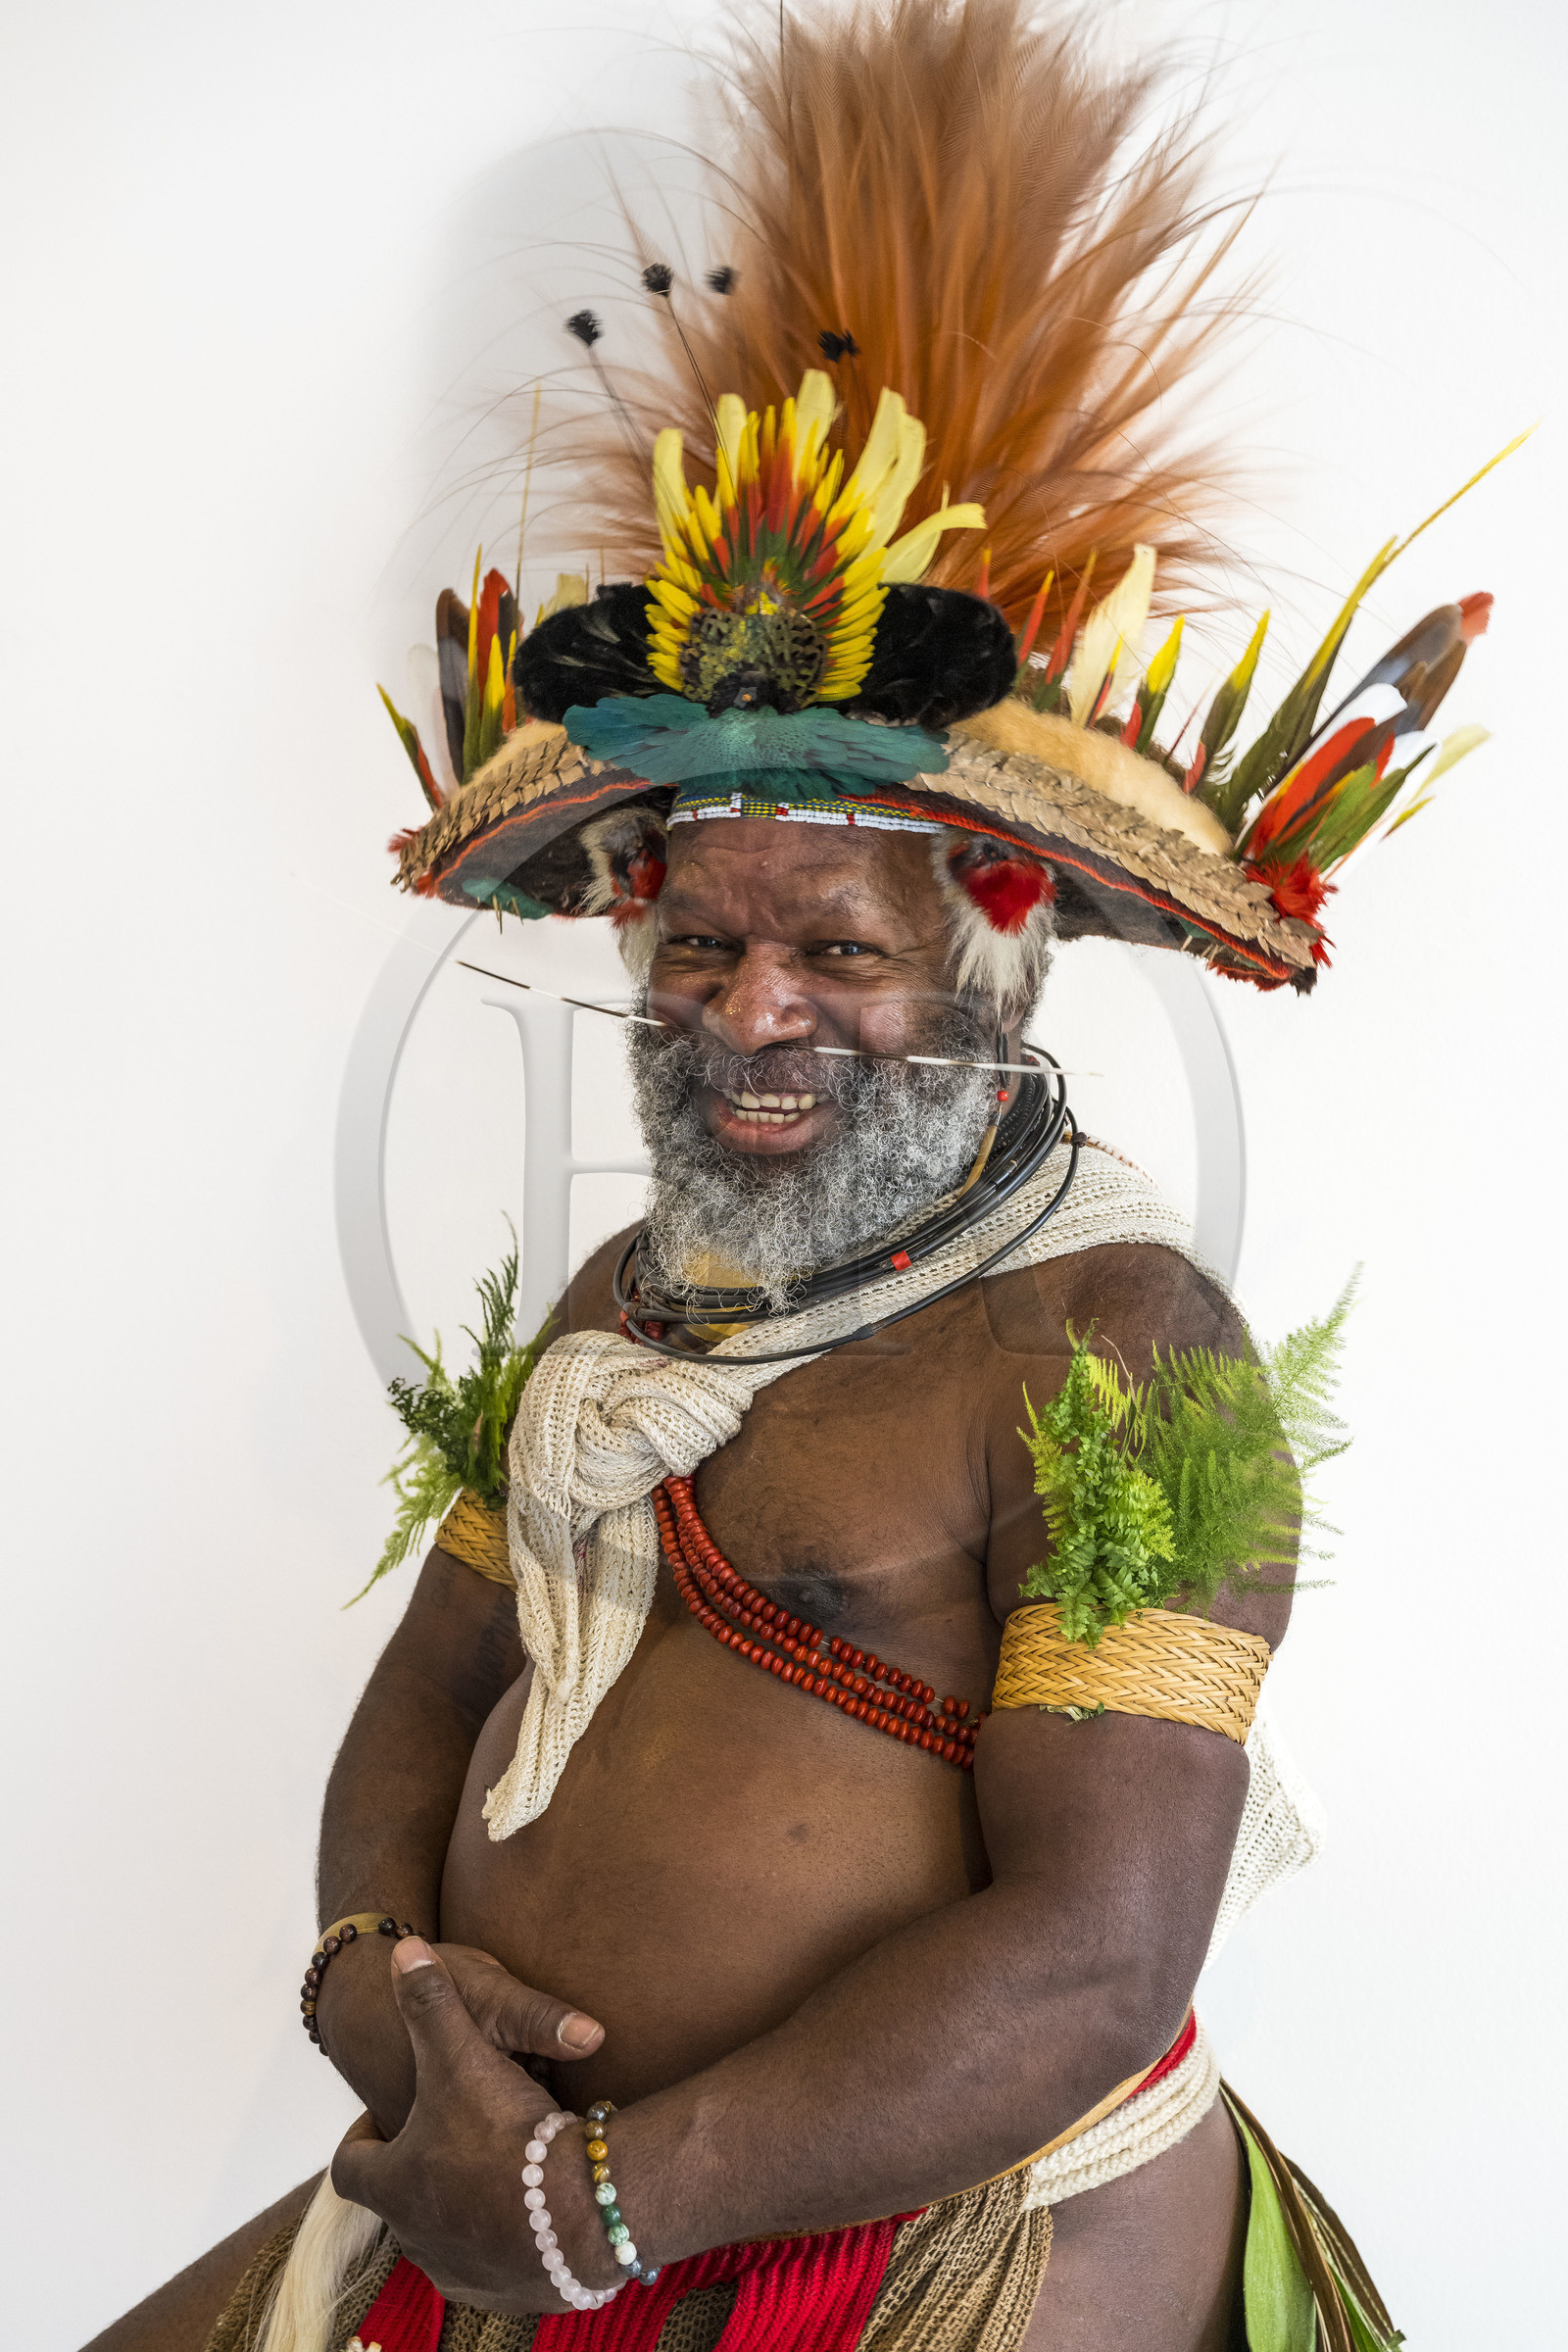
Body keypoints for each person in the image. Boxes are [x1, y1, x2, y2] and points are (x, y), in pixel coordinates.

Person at [89, 4, 1500, 2346]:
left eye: (835, 950)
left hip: (898, 2250)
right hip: (512, 2212)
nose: (752, 1011)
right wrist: (381, 2005)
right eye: (701, 941)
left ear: (998, 961)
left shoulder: (1127, 1351)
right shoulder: (630, 1294)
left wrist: (601, 2207)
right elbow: (432, 1688)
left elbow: (1088, 1953)